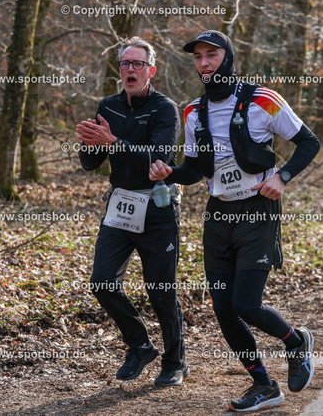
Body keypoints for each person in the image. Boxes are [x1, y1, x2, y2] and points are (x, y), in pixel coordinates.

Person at [149, 30, 320, 412]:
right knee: (224, 309)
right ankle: (263, 384)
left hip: (258, 210)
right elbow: (194, 169)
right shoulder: (194, 112)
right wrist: (169, 173)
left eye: (211, 54)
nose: (204, 63)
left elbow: (309, 142)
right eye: (198, 57)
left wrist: (282, 177)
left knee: (246, 304)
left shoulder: (262, 99)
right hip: (218, 214)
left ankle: (295, 342)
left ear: (227, 57)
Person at [76, 36, 188, 386]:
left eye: (138, 64)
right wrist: (89, 142)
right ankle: (140, 345)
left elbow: (159, 158)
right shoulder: (107, 106)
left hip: (157, 207)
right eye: (125, 63)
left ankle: (175, 362)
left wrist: (113, 142)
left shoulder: (165, 108)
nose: (130, 69)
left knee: (160, 290)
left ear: (150, 71)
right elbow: (90, 163)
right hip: (121, 205)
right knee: (102, 282)